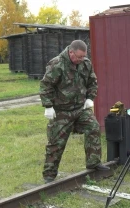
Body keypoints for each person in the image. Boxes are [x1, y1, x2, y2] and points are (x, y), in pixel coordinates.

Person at [39, 40, 110, 184]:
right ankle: (49, 174)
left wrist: (90, 98)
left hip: (80, 109)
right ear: (71, 52)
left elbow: (92, 81)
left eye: (83, 57)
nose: (80, 60)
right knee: (56, 142)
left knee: (94, 127)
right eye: (78, 57)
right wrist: (48, 106)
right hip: (61, 111)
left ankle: (93, 163)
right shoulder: (57, 64)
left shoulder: (85, 64)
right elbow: (46, 85)